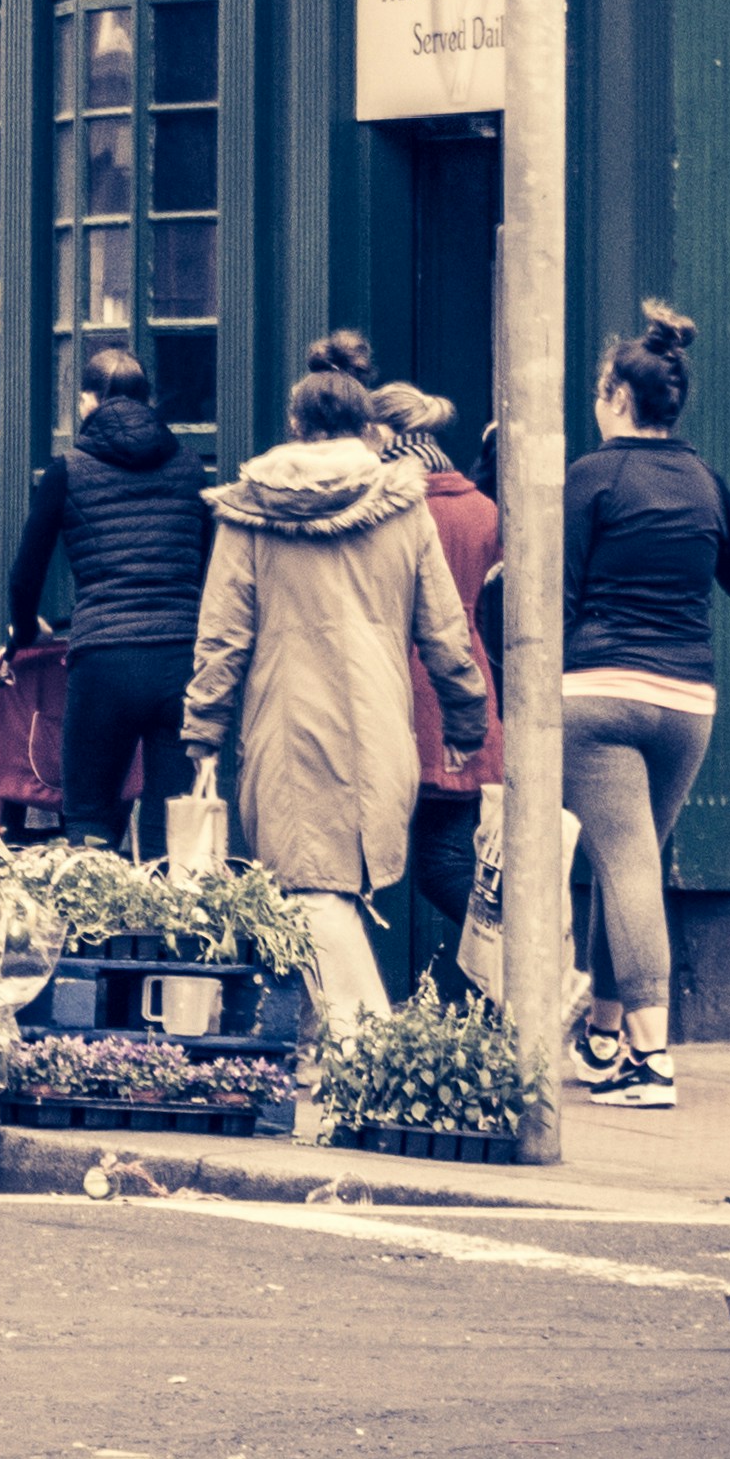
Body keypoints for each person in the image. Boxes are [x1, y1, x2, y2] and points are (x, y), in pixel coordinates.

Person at [182, 335, 489, 1051]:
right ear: (368, 430)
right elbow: (445, 628)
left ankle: (370, 1050)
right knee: (329, 886)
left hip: (284, 729)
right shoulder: (403, 506)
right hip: (382, 724)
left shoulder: (249, 511)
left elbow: (221, 636)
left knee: (312, 891)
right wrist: (466, 719)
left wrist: (202, 731)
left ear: (294, 426)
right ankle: (332, 1050)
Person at [559, 301, 730, 1110]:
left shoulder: (592, 475)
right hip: (686, 702)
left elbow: (557, 593)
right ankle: (605, 1037)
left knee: (624, 865)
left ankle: (651, 1058)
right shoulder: (703, 479)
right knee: (631, 864)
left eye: (598, 390)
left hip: (598, 694)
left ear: (615, 394)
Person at [2, 348, 212, 853]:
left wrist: (26, 632)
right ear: (150, 400)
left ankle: (91, 930)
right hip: (180, 662)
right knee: (174, 832)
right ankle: (170, 931)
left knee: (90, 819)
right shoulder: (189, 466)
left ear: (85, 402)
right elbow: (207, 566)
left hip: (103, 662)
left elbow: (25, 575)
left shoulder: (68, 470)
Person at [365, 377, 503, 992]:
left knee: (395, 864)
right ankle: (502, 968)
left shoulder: (391, 505)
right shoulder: (482, 506)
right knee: (447, 854)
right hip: (465, 685)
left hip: (408, 686)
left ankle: (518, 952)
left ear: (386, 434)